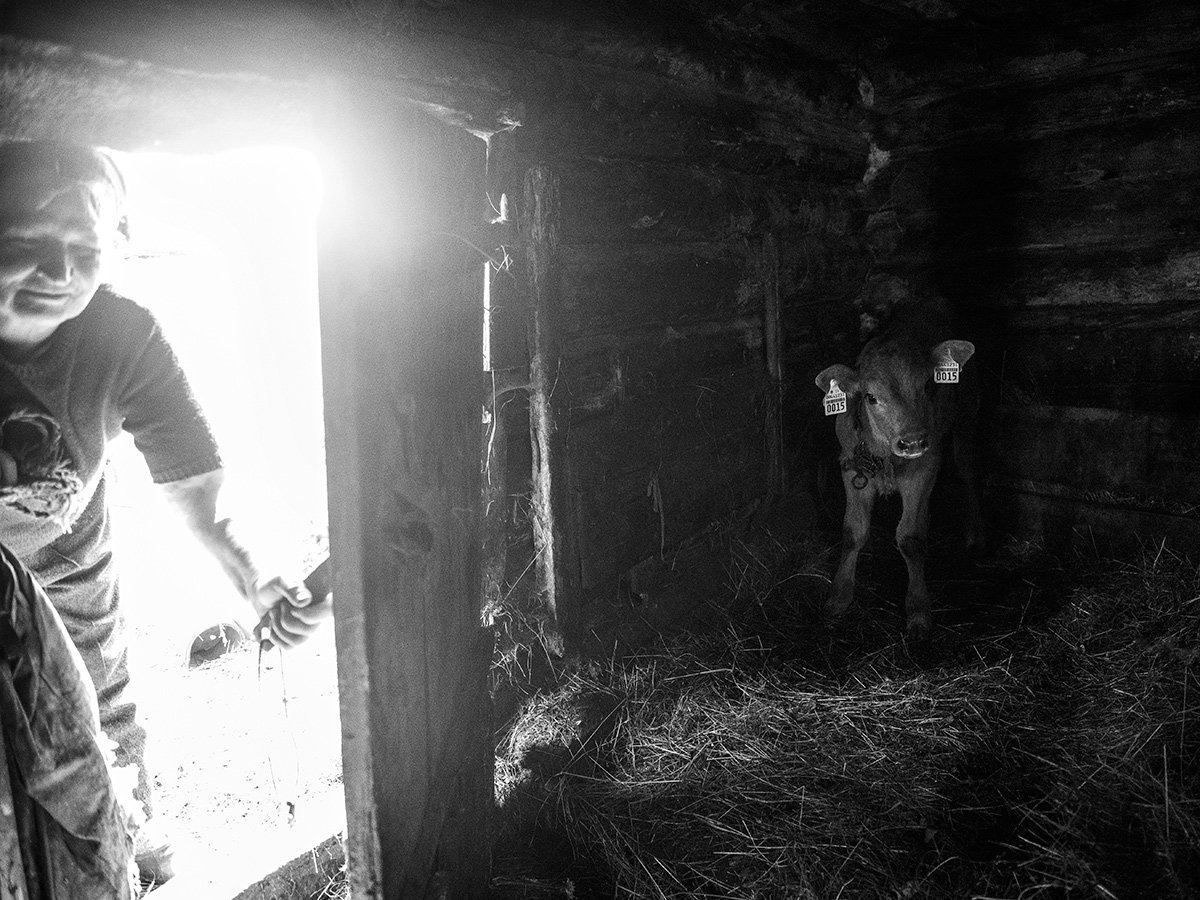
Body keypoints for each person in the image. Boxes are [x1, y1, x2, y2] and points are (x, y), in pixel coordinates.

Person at [0, 139, 332, 885]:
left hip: (69, 581)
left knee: (108, 775)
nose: (59, 272)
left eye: (85, 248)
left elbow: (201, 496)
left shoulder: (123, 336)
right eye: (24, 245)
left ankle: (128, 858)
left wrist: (257, 578)